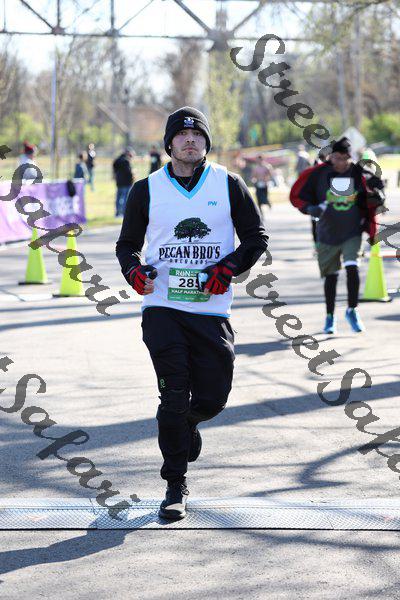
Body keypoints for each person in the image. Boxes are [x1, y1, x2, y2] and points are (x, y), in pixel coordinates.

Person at [116, 106, 268, 520]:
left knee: (214, 396)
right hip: (162, 307)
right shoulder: (146, 189)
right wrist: (134, 272)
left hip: (211, 309)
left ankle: (189, 423)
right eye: (181, 135)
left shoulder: (229, 183)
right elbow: (127, 245)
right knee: (173, 395)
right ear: (169, 143)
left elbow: (256, 238)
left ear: (206, 143)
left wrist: (228, 268)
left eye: (197, 135)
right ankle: (174, 484)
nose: (190, 140)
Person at [290, 137, 385, 335]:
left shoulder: (359, 173)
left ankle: (352, 310)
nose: (341, 163)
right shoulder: (318, 174)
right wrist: (310, 208)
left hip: (352, 232)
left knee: (352, 268)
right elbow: (298, 195)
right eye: (337, 158)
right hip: (327, 234)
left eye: (345, 158)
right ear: (331, 157)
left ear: (350, 157)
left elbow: (376, 192)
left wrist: (376, 197)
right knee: (331, 277)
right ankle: (330, 316)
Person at [113, 148, 134, 217]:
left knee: (118, 198)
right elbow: (129, 172)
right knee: (125, 198)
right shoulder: (126, 161)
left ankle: (117, 213)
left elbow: (114, 169)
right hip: (126, 182)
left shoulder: (117, 160)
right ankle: (123, 212)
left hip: (119, 182)